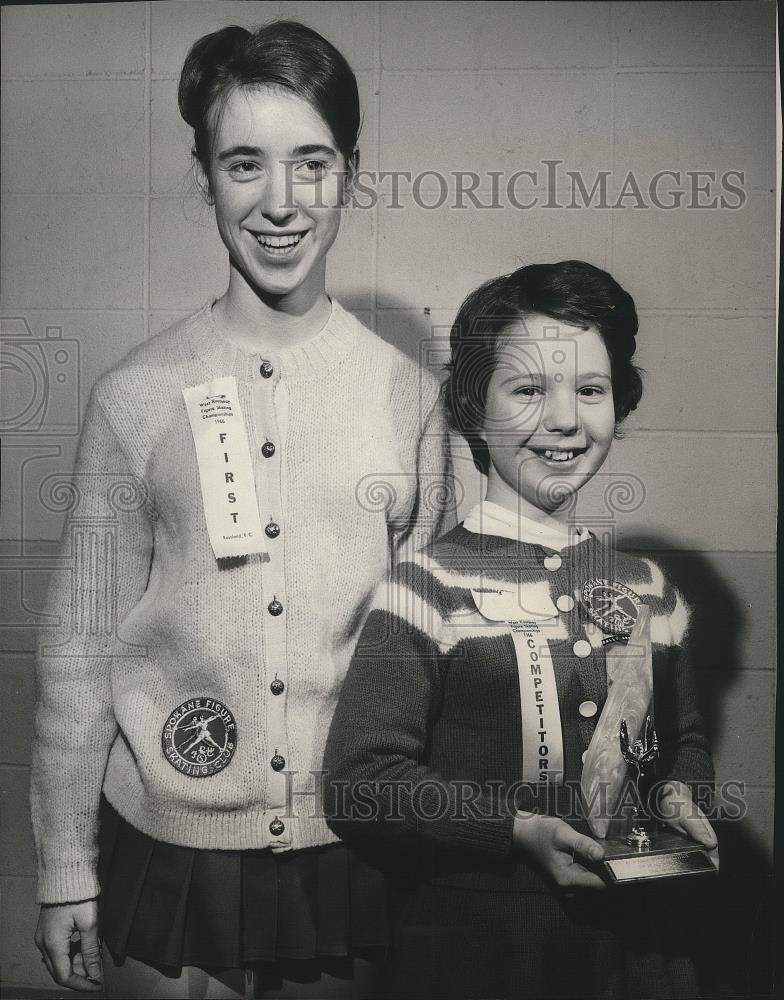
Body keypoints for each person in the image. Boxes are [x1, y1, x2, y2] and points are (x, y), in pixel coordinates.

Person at [31, 21, 453, 999]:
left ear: (349, 171)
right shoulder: (134, 397)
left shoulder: (411, 397)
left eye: (310, 162)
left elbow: (429, 652)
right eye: (243, 163)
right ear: (204, 177)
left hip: (348, 844)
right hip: (164, 842)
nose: (279, 202)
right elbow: (77, 649)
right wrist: (63, 865)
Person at [324, 260, 719, 999]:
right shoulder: (423, 589)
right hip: (475, 952)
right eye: (529, 389)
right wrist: (515, 830)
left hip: (635, 955)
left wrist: (678, 798)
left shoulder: (650, 590)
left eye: (590, 391)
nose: (564, 420)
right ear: (474, 408)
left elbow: (683, 744)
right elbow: (361, 783)